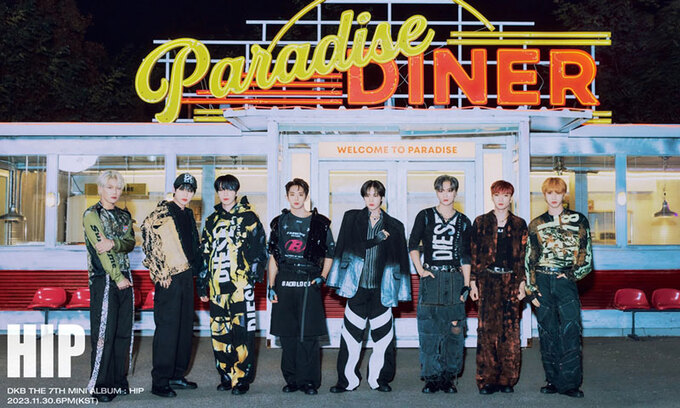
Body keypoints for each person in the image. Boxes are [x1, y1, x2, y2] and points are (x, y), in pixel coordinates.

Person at [326, 180, 411, 393]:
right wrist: (335, 279)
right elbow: (344, 247)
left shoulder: (395, 226)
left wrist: (403, 291)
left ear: (382, 197)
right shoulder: (351, 218)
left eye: (376, 195)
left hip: (382, 290)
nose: (371, 199)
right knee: (350, 337)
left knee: (383, 339)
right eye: (367, 195)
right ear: (363, 197)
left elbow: (402, 260)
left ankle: (380, 380)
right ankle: (346, 381)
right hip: (356, 288)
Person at [199, 174, 268, 395]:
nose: (225, 193)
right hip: (217, 287)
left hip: (241, 287)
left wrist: (251, 280)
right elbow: (204, 253)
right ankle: (226, 375)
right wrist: (202, 283)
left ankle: (242, 378)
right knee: (220, 332)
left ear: (236, 191)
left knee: (243, 332)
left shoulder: (249, 217)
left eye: (229, 189)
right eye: (222, 189)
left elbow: (260, 249)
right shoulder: (211, 220)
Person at [525, 177, 593, 398]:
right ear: (544, 195)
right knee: (548, 332)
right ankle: (552, 380)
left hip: (565, 282)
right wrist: (531, 289)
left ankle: (571, 384)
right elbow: (529, 258)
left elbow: (586, 255)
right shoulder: (536, 224)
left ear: (564, 194)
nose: (554, 197)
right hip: (542, 281)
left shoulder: (579, 220)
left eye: (558, 193)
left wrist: (572, 274)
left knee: (571, 331)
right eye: (549, 193)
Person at [267, 178, 335, 395]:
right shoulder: (279, 223)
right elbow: (273, 257)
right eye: (292, 194)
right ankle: (292, 380)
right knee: (287, 335)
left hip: (309, 281)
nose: (296, 198)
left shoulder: (320, 223)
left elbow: (329, 253)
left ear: (306, 196)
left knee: (308, 334)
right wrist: (271, 285)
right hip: (285, 281)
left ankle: (309, 382)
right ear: (287, 197)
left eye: (300, 194)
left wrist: (322, 276)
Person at [141, 173, 203, 398]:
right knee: (167, 330)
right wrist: (160, 272)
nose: (186, 194)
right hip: (169, 279)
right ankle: (160, 381)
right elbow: (148, 238)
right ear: (175, 190)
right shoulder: (161, 212)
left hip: (186, 277)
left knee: (185, 328)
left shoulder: (188, 214)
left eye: (190, 190)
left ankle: (177, 375)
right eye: (182, 189)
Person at [408, 175, 472, 394]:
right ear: (436, 192)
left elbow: (466, 255)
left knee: (454, 329)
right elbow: (412, 244)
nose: (446, 195)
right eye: (442, 190)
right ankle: (431, 377)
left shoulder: (464, 221)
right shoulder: (425, 216)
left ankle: (448, 376)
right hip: (432, 279)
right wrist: (420, 270)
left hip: (454, 279)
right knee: (429, 330)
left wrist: (466, 284)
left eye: (450, 190)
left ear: (455, 193)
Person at [469, 180, 528, 395]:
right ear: (492, 197)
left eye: (505, 196)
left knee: (510, 333)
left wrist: (522, 283)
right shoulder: (481, 222)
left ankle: (507, 380)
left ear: (511, 198)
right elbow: (474, 254)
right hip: (487, 281)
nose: (501, 200)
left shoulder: (519, 224)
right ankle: (486, 380)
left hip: (511, 282)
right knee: (486, 331)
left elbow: (523, 257)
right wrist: (473, 282)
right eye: (497, 195)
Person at [83, 171, 135, 403]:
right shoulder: (91, 215)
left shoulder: (124, 215)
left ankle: (118, 380)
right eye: (110, 187)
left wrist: (114, 242)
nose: (114, 192)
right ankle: (101, 385)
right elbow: (102, 251)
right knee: (104, 334)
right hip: (104, 278)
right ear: (100, 189)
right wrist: (117, 276)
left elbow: (130, 242)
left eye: (118, 187)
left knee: (123, 333)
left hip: (126, 276)